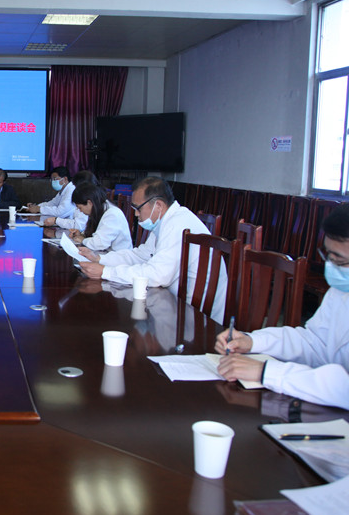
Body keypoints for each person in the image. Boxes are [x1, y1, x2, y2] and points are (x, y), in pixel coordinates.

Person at [216, 203, 349, 410]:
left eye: (339, 261)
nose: (331, 267)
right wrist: (252, 342)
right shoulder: (341, 290)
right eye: (328, 258)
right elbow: (314, 342)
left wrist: (266, 372)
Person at [79, 176, 227, 323]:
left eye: (138, 208)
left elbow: (158, 275)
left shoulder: (177, 224)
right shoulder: (165, 222)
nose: (136, 214)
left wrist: (106, 272)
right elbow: (141, 255)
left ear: (158, 205)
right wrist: (100, 259)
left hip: (195, 318)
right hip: (176, 304)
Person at [69, 183, 132, 253]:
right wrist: (82, 235)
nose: (80, 211)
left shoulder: (112, 214)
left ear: (89, 203)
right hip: (105, 253)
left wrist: (83, 240)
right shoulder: (99, 209)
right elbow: (98, 233)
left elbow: (99, 244)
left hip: (118, 257)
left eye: (80, 207)